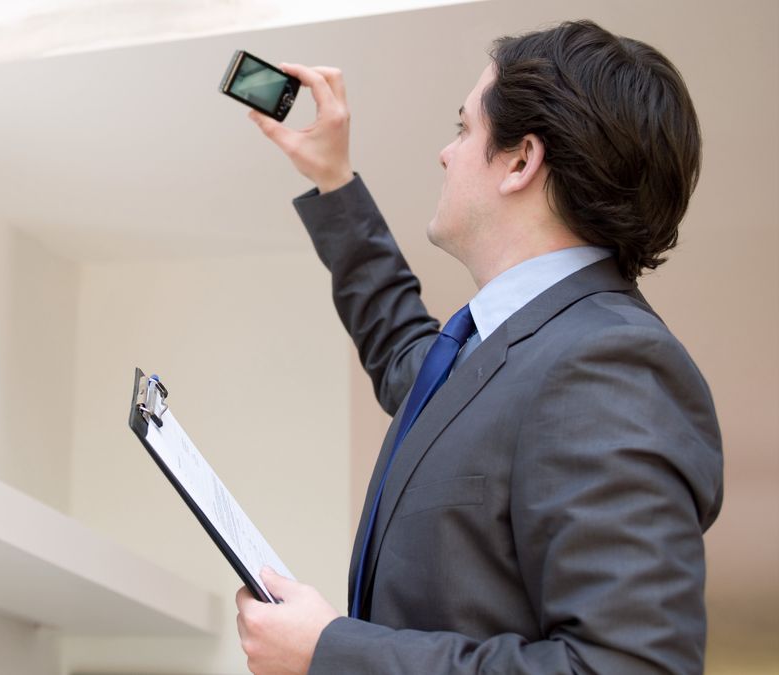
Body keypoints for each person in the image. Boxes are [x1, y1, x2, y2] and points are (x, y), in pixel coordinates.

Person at [233, 20, 723, 675]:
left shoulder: (611, 362)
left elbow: (629, 666)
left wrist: (332, 650)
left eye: (463, 128)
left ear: (522, 160)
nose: (446, 152)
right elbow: (407, 353)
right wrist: (332, 176)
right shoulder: (504, 349)